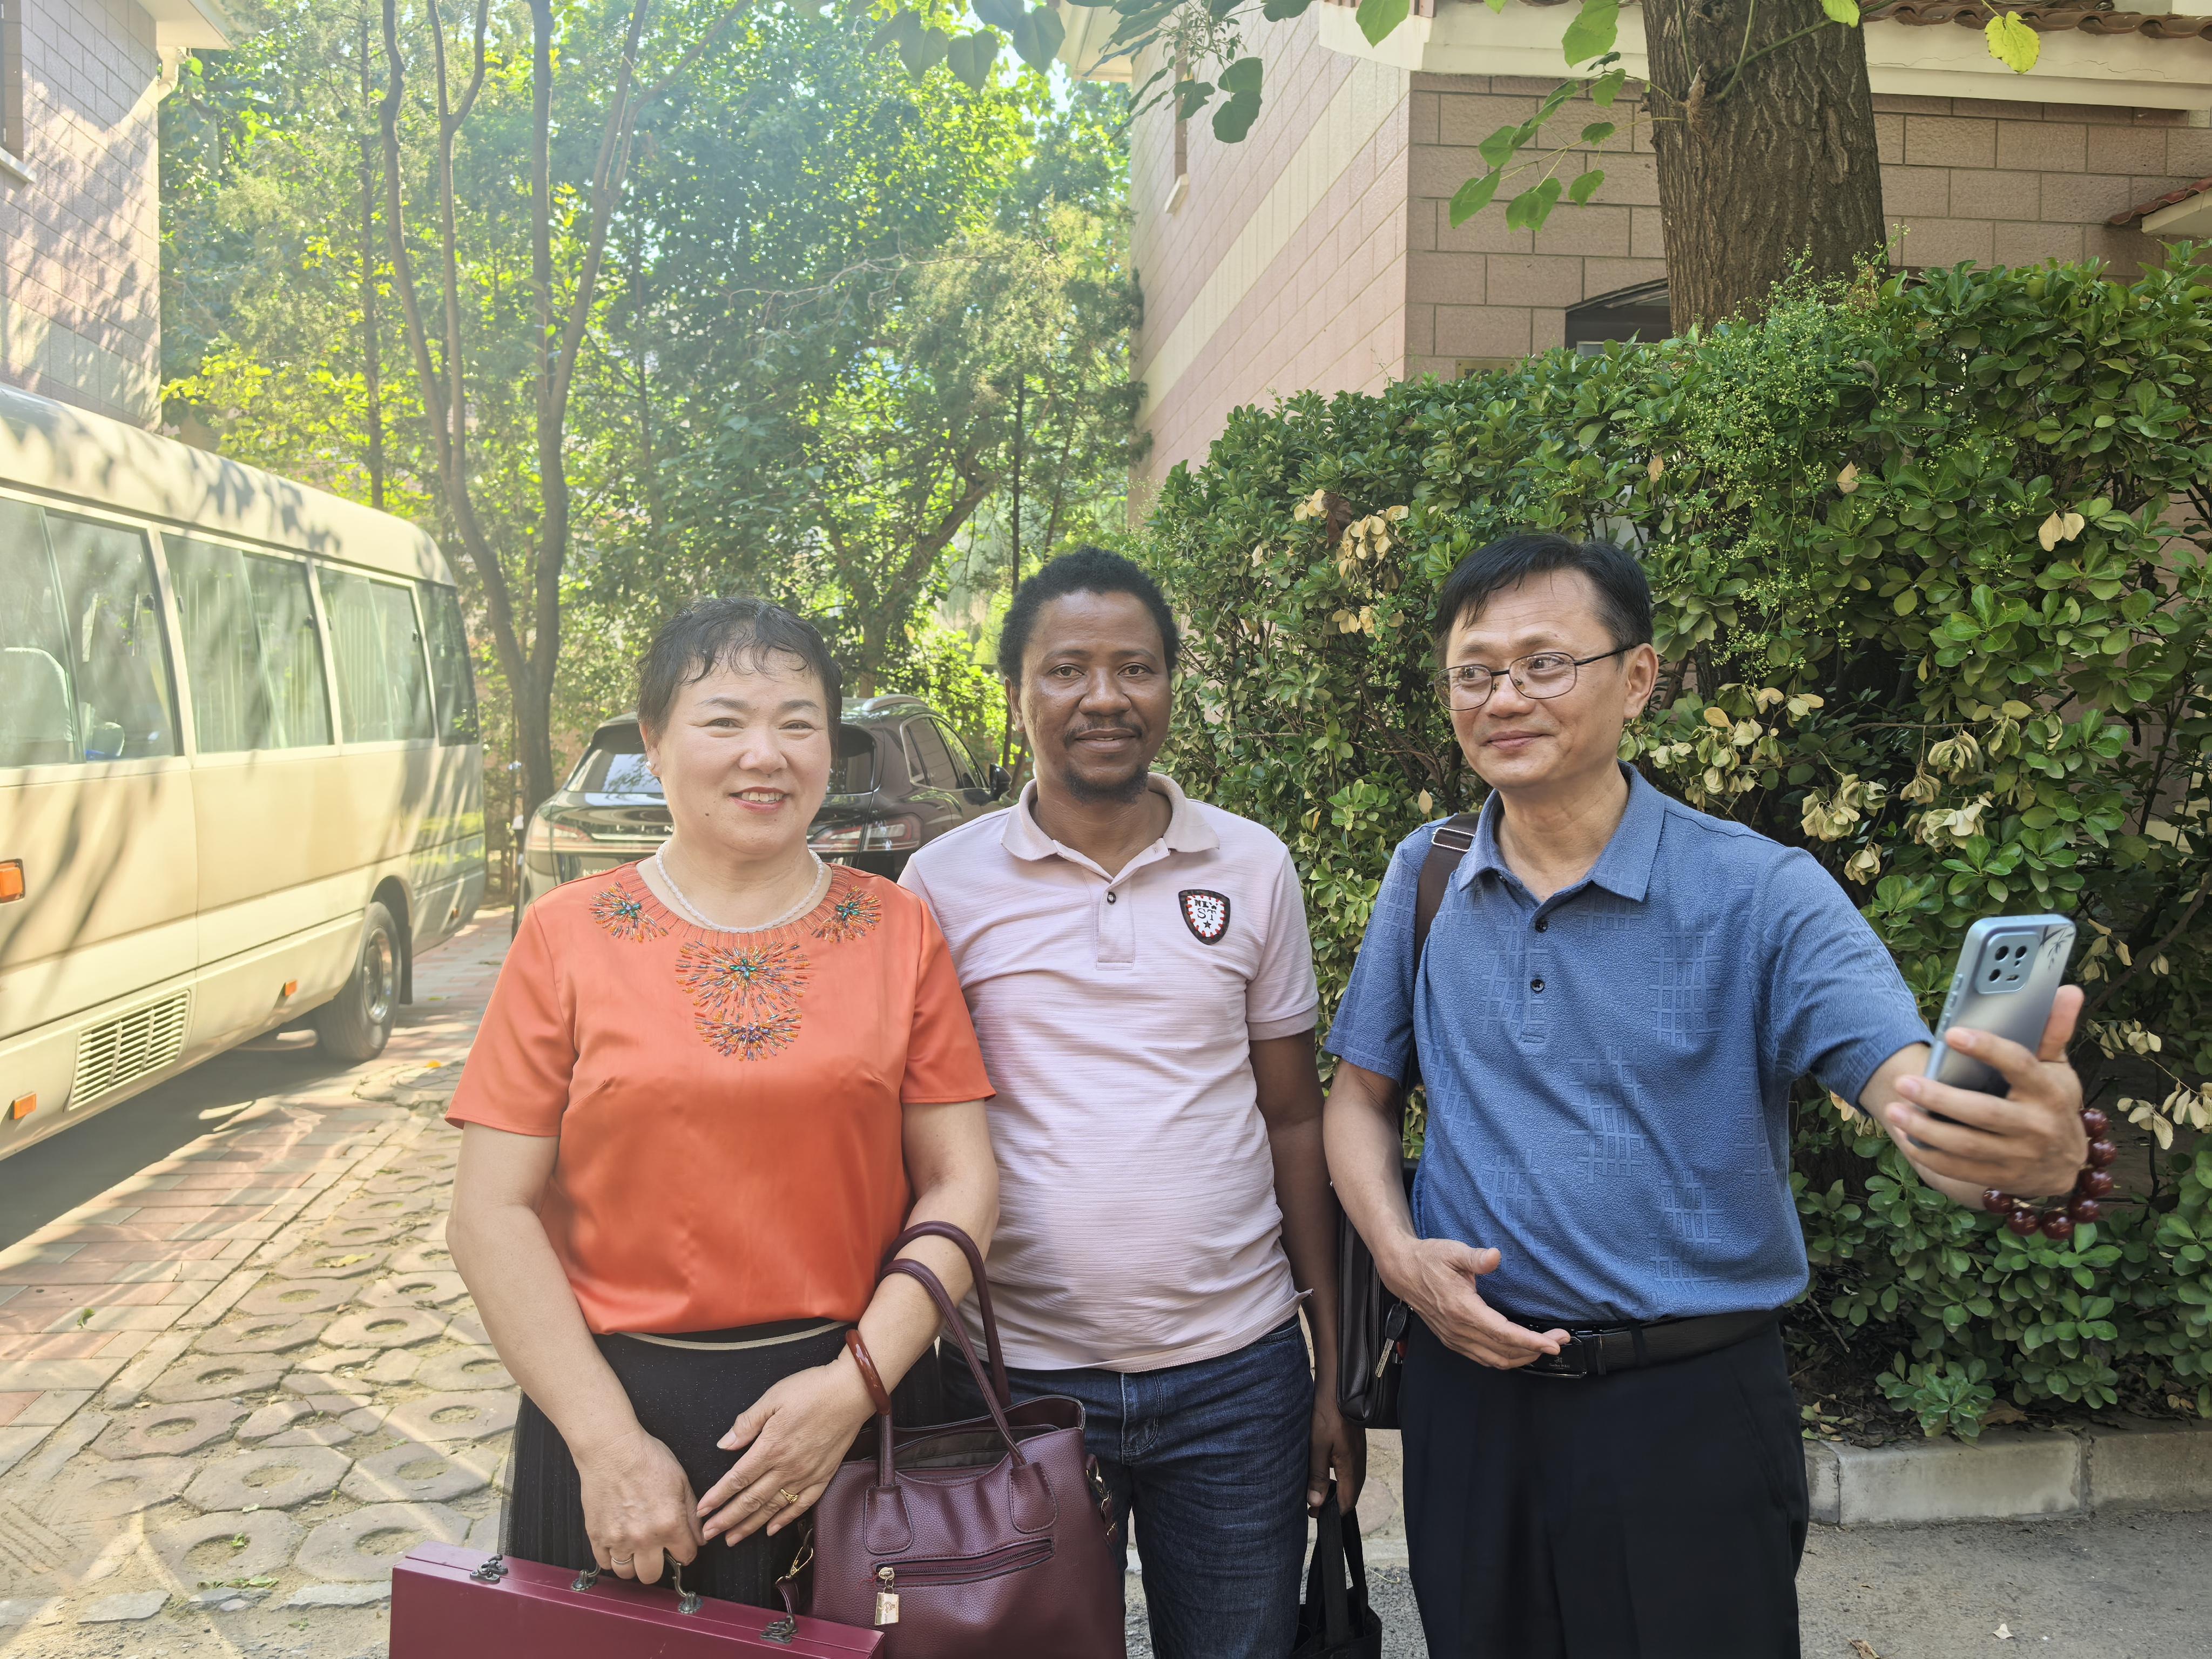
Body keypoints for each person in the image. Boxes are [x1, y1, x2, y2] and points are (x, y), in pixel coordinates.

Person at [1321, 532, 2093, 1659]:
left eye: (1545, 663)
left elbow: (1903, 1086)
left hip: (1686, 1418)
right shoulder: (1428, 871)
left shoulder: (1759, 890)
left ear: (1636, 678)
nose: (1504, 698)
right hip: (1470, 1399)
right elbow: (1357, 1099)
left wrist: (2021, 1154)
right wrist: (1399, 1258)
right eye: (1473, 672)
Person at [446, 597, 998, 1607]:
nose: (765, 755)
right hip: (615, 1419)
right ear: (654, 743)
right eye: (725, 721)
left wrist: (854, 1387)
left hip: (851, 1408)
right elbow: (490, 1212)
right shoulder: (567, 936)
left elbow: (963, 1184)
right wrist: (607, 1445)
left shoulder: (898, 931)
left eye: (798, 723)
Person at [899, 547, 1363, 1659]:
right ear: (1016, 692)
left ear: (1169, 686)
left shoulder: (1251, 866)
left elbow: (1294, 1117)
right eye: (1066, 669)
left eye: (1135, 668)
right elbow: (911, 1143)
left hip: (1237, 1375)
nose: (1103, 697)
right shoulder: (940, 886)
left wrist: (1330, 1365)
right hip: (1015, 1381)